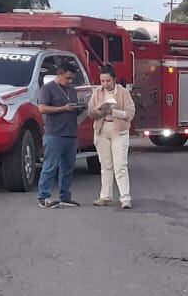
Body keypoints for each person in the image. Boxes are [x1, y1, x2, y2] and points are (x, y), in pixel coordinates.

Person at [35, 59, 82, 208]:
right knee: (50, 166)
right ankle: (43, 197)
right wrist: (63, 108)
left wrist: (78, 108)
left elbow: (72, 107)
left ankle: (65, 196)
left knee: (68, 167)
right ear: (59, 74)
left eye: (71, 79)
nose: (70, 81)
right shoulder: (47, 89)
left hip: (71, 133)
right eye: (67, 78)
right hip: (54, 134)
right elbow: (42, 109)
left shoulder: (72, 90)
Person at [88, 64, 136, 209]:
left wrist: (113, 112)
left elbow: (130, 113)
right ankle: (105, 196)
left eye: (108, 81)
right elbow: (91, 112)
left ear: (114, 79)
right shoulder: (97, 92)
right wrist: (100, 111)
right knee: (105, 165)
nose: (105, 84)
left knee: (120, 166)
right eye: (102, 81)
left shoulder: (123, 93)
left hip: (118, 131)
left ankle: (125, 198)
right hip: (102, 130)